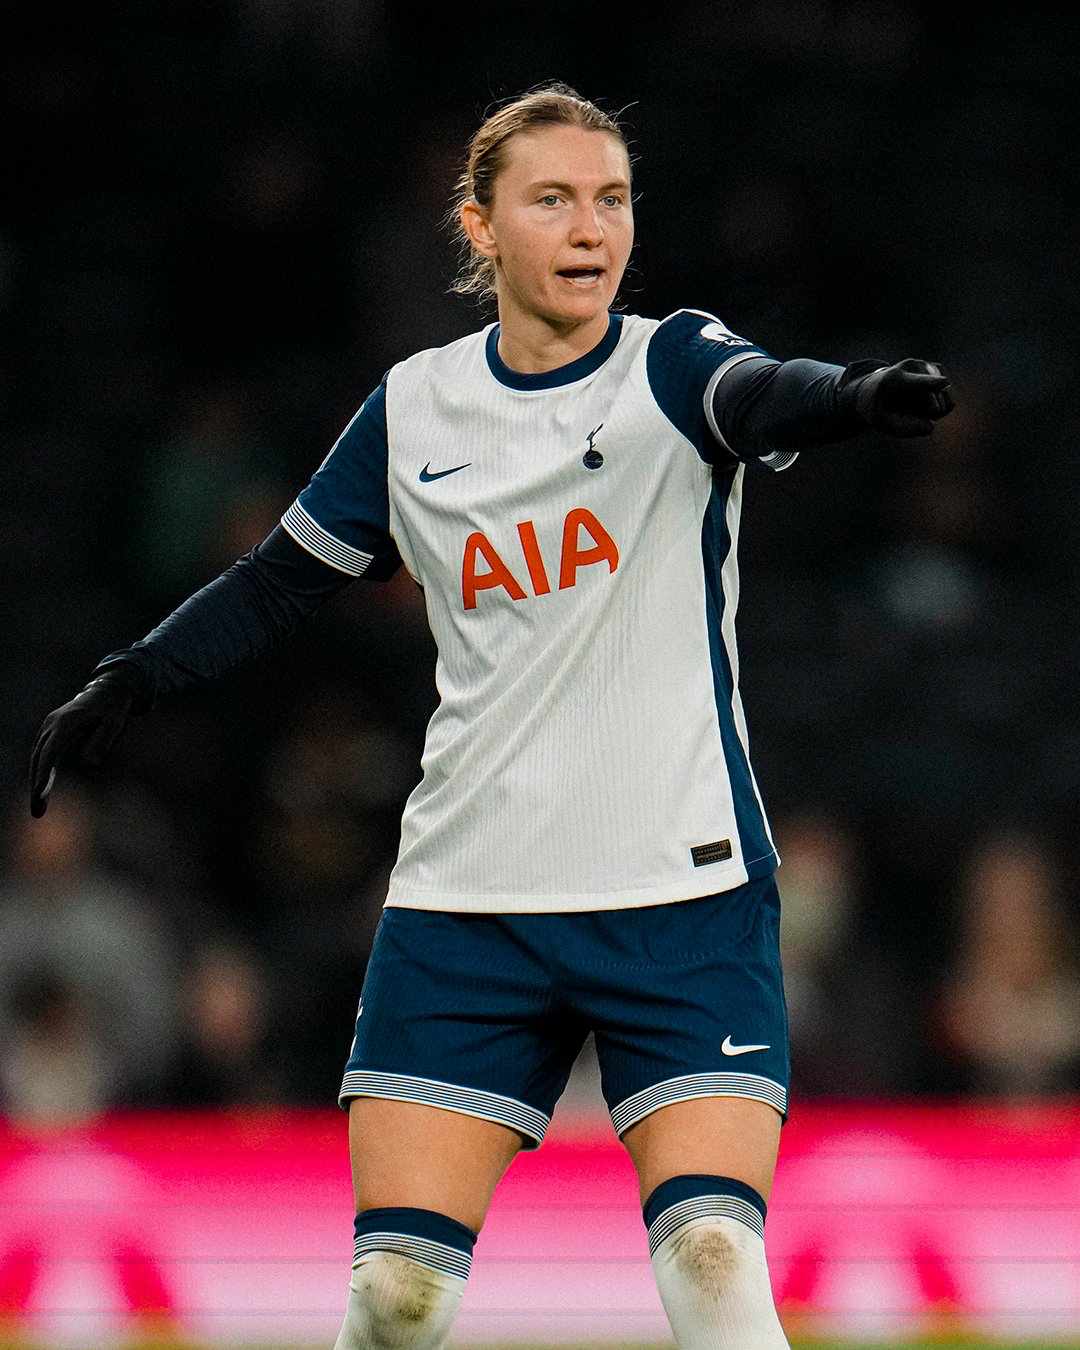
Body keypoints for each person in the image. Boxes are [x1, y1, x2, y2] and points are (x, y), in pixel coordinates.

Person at [30, 83, 954, 1350]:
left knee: (712, 1258)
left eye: (614, 200)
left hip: (678, 896)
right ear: (480, 226)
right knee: (395, 1301)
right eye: (555, 199)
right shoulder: (415, 408)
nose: (592, 227)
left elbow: (762, 394)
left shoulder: (670, 362)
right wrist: (132, 676)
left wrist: (850, 398)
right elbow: (281, 582)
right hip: (471, 902)